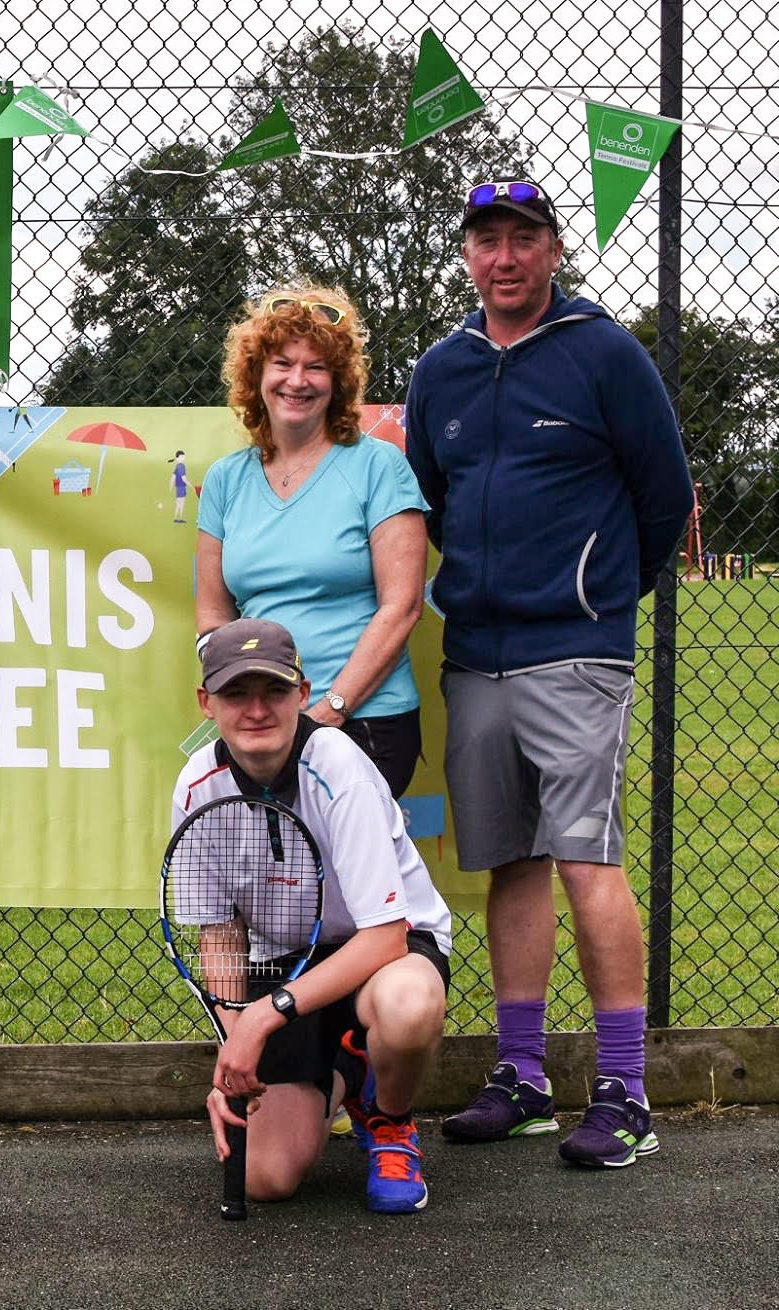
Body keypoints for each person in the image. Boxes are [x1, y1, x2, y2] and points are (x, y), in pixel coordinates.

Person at [405, 180, 694, 1167]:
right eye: (484, 240)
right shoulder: (438, 369)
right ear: (465, 256)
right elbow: (431, 499)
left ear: (553, 250)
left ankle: (623, 1089)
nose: (502, 257)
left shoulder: (604, 353)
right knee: (510, 862)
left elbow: (664, 494)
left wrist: (596, 593)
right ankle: (520, 1075)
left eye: (520, 238)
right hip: (472, 653)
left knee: (584, 858)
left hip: (573, 646)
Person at [177, 619, 453, 1214]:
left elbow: (384, 938)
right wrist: (234, 1044)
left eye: (273, 692)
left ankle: (390, 1122)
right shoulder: (197, 784)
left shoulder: (340, 766)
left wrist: (263, 1018)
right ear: (206, 702)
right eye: (235, 694)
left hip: (385, 957)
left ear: (302, 695)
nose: (256, 710)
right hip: (285, 964)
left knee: (408, 1006)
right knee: (265, 1179)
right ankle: (346, 1076)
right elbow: (220, 934)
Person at [196, 286, 429, 798]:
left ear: (339, 383)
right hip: (263, 728)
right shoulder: (223, 481)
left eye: (316, 367)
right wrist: (247, 707)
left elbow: (403, 606)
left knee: (352, 878)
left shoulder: (379, 466)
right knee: (272, 878)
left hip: (365, 723)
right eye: (282, 363)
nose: (297, 381)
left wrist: (327, 714)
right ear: (256, 376)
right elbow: (213, 618)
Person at [171, 449, 188, 523]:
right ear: (177, 458)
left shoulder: (177, 466)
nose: (183, 458)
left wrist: (171, 486)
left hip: (178, 487)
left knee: (178, 503)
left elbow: (173, 477)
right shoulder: (181, 466)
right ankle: (179, 518)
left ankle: (176, 518)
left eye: (183, 457)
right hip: (181, 487)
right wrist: (191, 486)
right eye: (181, 457)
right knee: (181, 503)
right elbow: (184, 478)